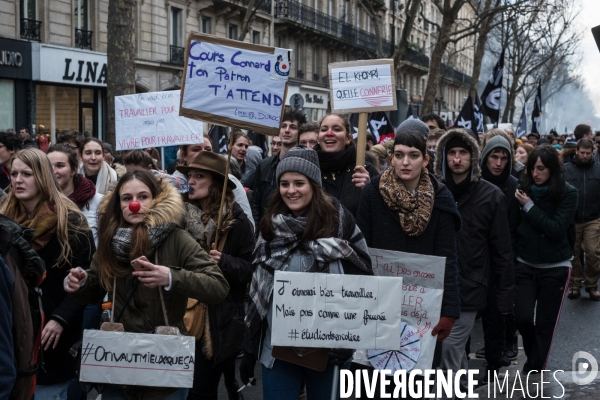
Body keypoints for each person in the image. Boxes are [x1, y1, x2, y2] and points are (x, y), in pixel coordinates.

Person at [65, 169, 230, 400]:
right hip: (119, 363)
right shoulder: (110, 239)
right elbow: (93, 289)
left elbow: (218, 286)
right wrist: (79, 283)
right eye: (127, 198)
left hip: (164, 364)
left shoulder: (177, 238)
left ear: (156, 200)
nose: (134, 204)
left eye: (143, 197)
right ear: (118, 204)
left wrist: (171, 277)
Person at [238, 146, 373, 400]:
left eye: (299, 182)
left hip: (328, 349)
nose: (291, 190)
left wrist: (351, 339)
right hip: (277, 349)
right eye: (284, 183)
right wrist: (249, 348)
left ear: (313, 184)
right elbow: (258, 288)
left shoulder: (340, 222)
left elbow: (363, 279)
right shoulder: (270, 225)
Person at [355, 131, 461, 396]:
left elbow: (449, 257)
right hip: (378, 303)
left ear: (425, 160)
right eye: (399, 155)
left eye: (413, 156)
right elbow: (360, 248)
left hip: (421, 308)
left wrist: (449, 311)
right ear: (391, 158)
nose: (406, 162)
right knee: (375, 383)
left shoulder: (441, 199)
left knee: (415, 384)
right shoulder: (373, 192)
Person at [0, 148, 95, 400]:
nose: (18, 180)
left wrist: (60, 318)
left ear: (43, 176)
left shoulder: (70, 220)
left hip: (51, 334)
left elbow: (90, 277)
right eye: (14, 173)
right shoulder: (3, 219)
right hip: (11, 330)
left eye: (27, 174)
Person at [434, 129, 514, 394]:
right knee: (448, 354)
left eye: (463, 153)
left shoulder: (492, 196)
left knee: (449, 346)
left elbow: (502, 251)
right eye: (452, 153)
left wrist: (503, 298)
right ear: (443, 158)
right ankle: (462, 388)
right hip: (434, 284)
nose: (457, 159)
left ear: (473, 157)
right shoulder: (431, 192)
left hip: (471, 286)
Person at [178, 152, 255, 400]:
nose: (191, 181)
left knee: (201, 389)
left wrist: (225, 262)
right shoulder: (174, 216)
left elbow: (249, 269)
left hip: (216, 321)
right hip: (178, 313)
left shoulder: (237, 222)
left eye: (200, 176)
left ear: (217, 184)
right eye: (190, 175)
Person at [509, 145, 578, 373]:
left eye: (541, 169)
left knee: (545, 326)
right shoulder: (522, 188)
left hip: (555, 266)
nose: (535, 174)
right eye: (532, 168)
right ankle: (535, 359)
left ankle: (535, 369)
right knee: (523, 318)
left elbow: (556, 229)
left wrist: (528, 206)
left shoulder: (568, 193)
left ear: (552, 170)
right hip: (525, 263)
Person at [476, 136, 520, 366]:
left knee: (504, 304)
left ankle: (506, 344)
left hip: (507, 251)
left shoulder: (514, 185)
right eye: (494, 156)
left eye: (504, 158)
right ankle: (492, 347)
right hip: (479, 252)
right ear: (485, 157)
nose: (498, 163)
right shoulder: (476, 181)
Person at [173, 139, 254, 230]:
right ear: (184, 155)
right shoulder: (179, 208)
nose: (191, 181)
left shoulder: (234, 218)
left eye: (208, 150)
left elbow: (248, 229)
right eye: (196, 149)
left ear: (216, 182)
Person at [251, 109, 306, 228]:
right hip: (267, 231)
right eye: (283, 126)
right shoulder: (264, 165)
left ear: (299, 132)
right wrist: (256, 233)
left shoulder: (306, 166)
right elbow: (256, 203)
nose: (287, 130)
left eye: (292, 127)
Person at [315, 114, 378, 216]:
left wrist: (370, 190)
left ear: (348, 138)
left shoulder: (364, 170)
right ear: (318, 138)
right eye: (324, 129)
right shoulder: (309, 169)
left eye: (337, 129)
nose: (329, 133)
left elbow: (382, 213)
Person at [564, 139, 600, 300]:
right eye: (582, 152)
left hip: (594, 217)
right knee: (574, 253)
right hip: (573, 218)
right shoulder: (566, 170)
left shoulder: (598, 169)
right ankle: (575, 284)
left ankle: (592, 285)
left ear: (593, 152)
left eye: (588, 153)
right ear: (576, 151)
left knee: (593, 252)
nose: (585, 156)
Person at [47, 144, 103, 247]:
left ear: (73, 170)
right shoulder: (39, 200)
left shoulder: (98, 201)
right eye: (49, 166)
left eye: (60, 166)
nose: (53, 171)